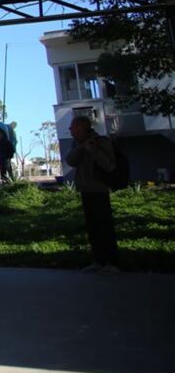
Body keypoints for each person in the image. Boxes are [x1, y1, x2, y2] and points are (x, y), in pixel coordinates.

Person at [65, 116, 119, 275]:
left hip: (99, 190)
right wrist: (81, 148)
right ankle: (98, 260)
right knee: (93, 227)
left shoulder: (101, 142)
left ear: (82, 127)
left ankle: (112, 262)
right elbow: (71, 161)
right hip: (85, 189)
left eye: (73, 127)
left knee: (104, 226)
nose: (71, 131)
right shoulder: (77, 144)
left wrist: (94, 150)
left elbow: (109, 165)